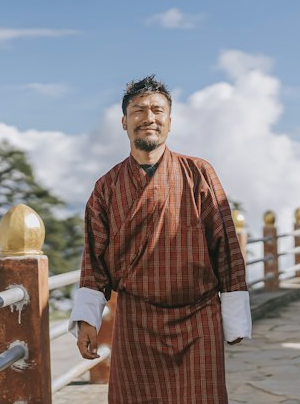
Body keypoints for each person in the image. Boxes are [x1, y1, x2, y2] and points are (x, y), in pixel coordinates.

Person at [69, 75, 251, 404]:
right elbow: (94, 260)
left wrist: (234, 315)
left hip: (198, 317)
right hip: (136, 320)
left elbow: (226, 246)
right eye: (138, 110)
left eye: (157, 110)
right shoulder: (107, 187)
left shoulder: (199, 173)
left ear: (169, 121)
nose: (148, 118)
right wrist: (87, 319)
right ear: (124, 122)